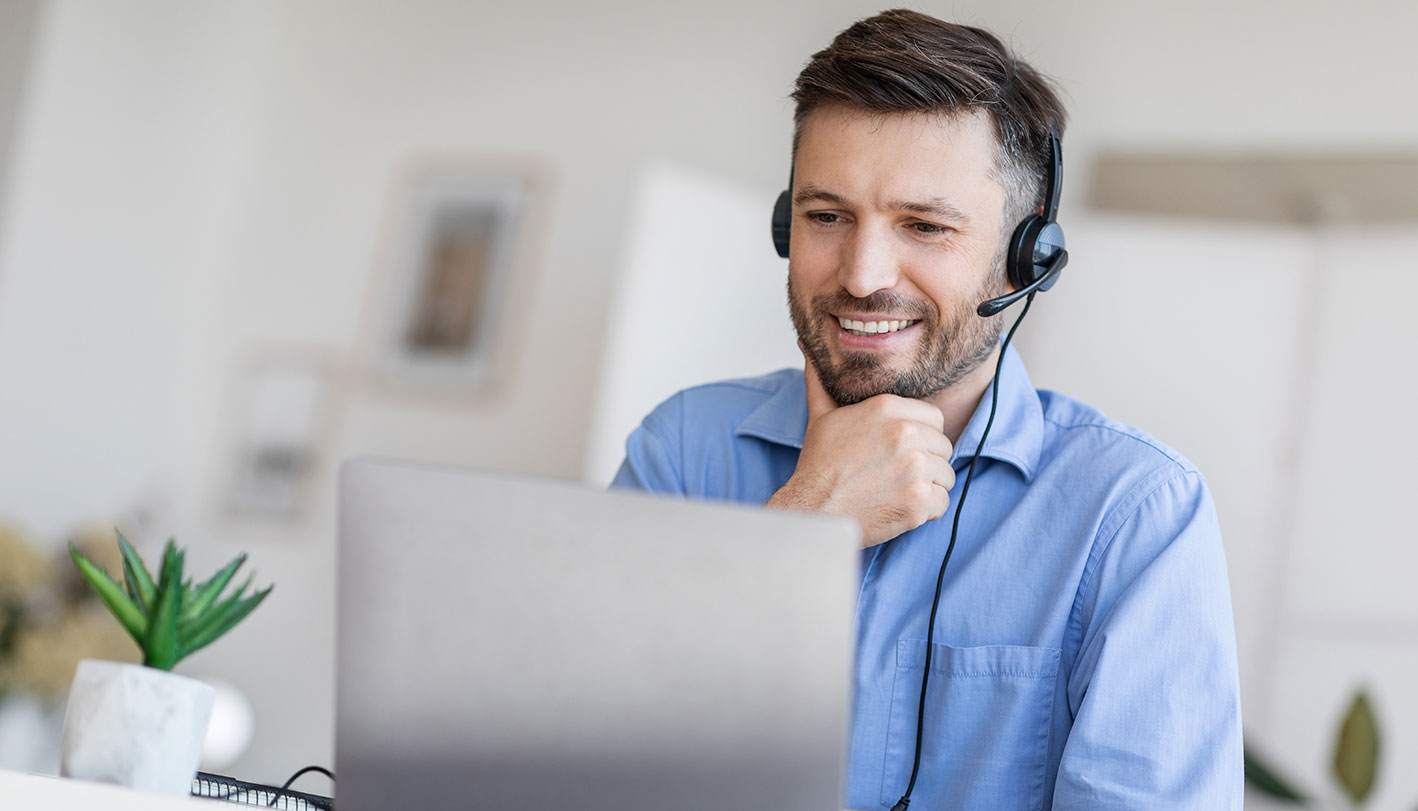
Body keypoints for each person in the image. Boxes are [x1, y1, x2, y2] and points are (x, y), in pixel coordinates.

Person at [612, 9, 1242, 810]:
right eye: (827, 216)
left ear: (1027, 257)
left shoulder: (1134, 515)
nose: (865, 273)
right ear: (786, 225)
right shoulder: (684, 449)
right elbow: (574, 763)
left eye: (925, 225)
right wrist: (797, 532)